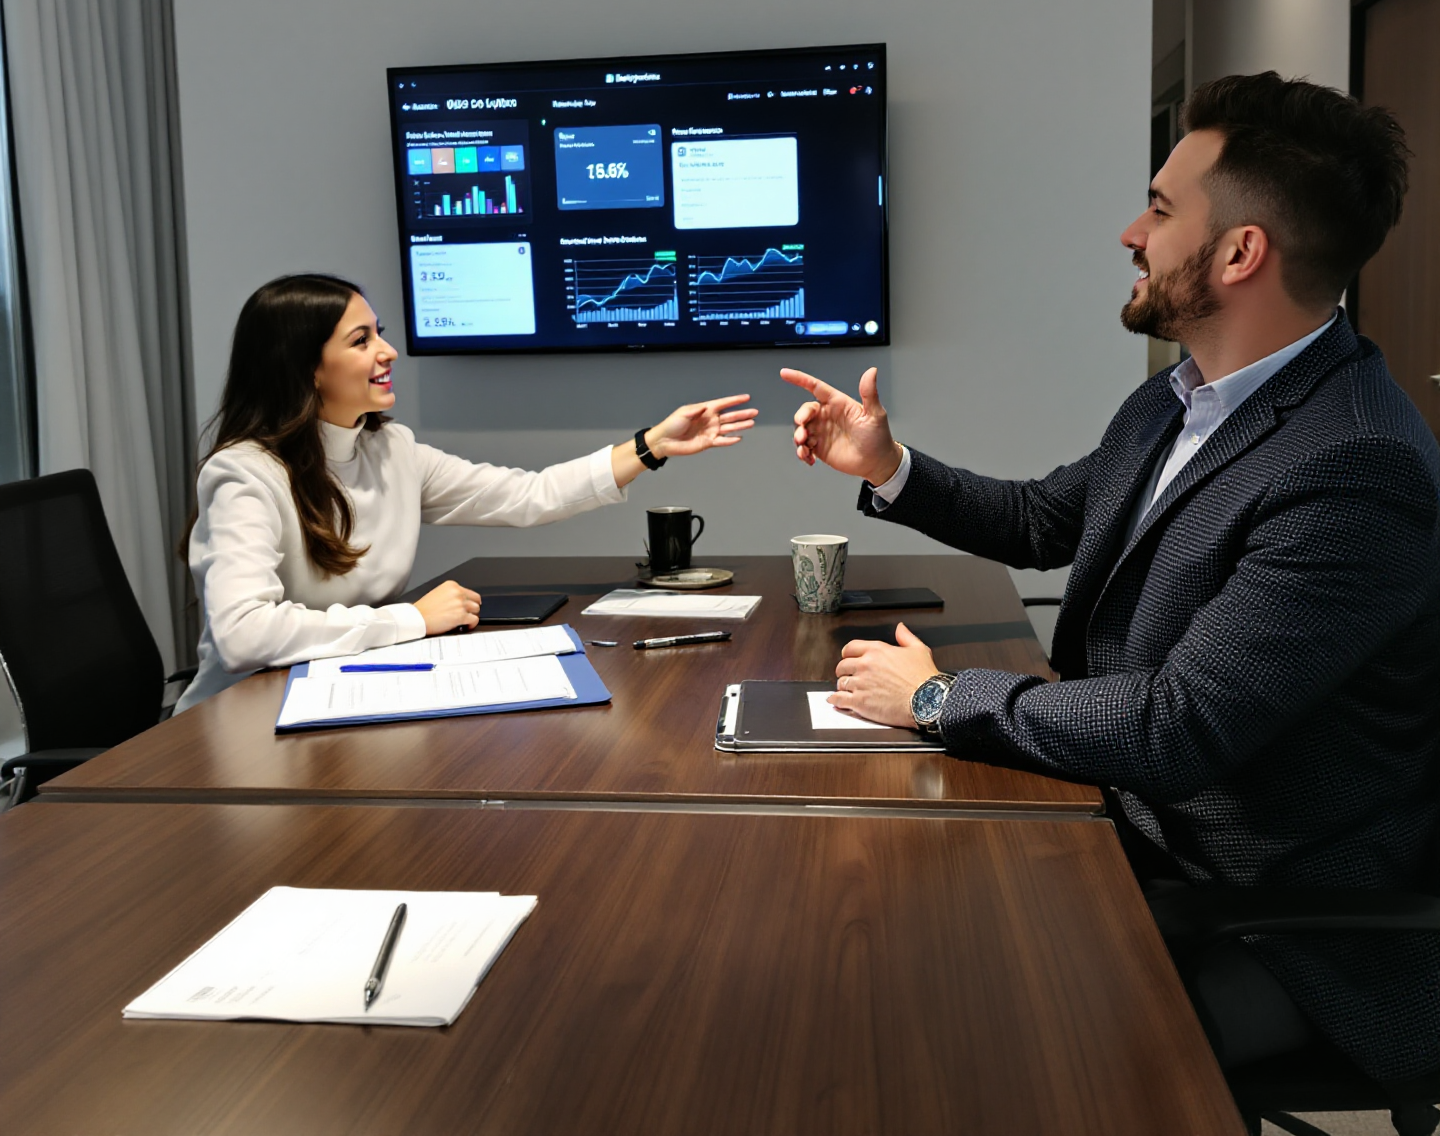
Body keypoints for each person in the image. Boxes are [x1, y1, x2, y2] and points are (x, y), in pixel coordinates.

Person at [782, 73, 1440, 1084]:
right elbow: (1045, 519)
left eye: (1161, 209)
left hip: (1270, 921)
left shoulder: (1354, 464)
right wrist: (887, 465)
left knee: (937, 1018)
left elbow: (1179, 729)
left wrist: (938, 698)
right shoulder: (1179, 400)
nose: (1132, 234)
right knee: (879, 927)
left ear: (1240, 252)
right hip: (1128, 822)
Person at [177, 273, 757, 711]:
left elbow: (528, 496)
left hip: (347, 695)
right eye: (361, 340)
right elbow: (244, 635)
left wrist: (651, 445)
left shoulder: (391, 450)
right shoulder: (244, 474)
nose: (387, 352)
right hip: (240, 718)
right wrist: (411, 619)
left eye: (380, 333)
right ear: (306, 368)